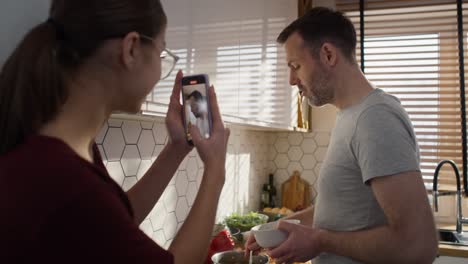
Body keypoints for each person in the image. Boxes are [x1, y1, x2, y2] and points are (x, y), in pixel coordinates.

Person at [0, 1, 230, 263]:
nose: (160, 72)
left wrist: (177, 149)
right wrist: (215, 171)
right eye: (162, 52)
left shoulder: (68, 152)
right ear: (131, 49)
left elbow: (114, 221)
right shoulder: (66, 180)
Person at [245, 7, 438, 264]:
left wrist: (319, 240)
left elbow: (418, 245)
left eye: (296, 66)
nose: (292, 80)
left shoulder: (375, 118)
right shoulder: (352, 116)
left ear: (327, 54)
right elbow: (342, 211)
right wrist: (277, 229)